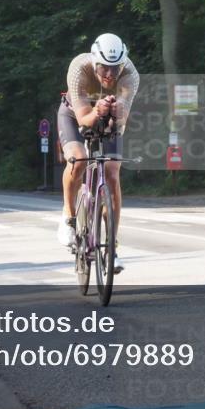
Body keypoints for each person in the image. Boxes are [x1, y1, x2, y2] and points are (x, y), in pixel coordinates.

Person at [56, 33, 139, 273]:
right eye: (104, 68)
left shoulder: (130, 74)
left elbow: (122, 118)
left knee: (112, 173)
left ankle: (111, 249)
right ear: (94, 63)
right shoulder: (79, 68)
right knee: (78, 159)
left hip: (109, 118)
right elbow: (84, 119)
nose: (110, 75)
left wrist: (116, 110)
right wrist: (97, 110)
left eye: (116, 68)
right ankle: (69, 218)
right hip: (74, 114)